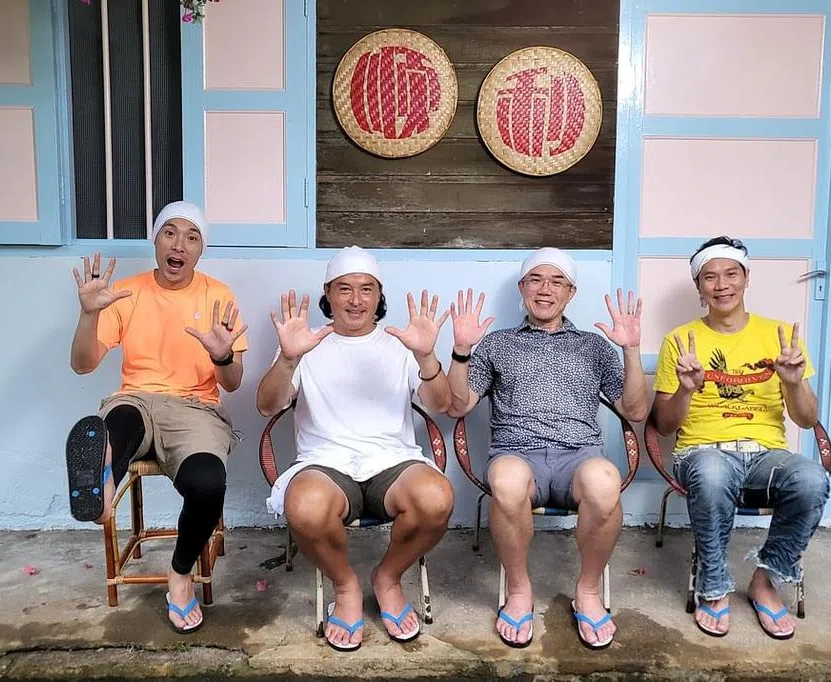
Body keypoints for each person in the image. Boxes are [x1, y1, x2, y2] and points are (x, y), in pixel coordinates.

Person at [446, 247, 650, 650]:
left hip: (579, 455)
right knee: (507, 482)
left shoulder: (594, 346)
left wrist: (630, 350)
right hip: (516, 453)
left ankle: (587, 591)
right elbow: (458, 405)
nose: (545, 289)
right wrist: (461, 351)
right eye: (536, 280)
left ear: (570, 293)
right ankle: (519, 590)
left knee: (605, 481)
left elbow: (636, 411)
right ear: (522, 288)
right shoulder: (497, 343)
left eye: (557, 282)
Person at [256, 246, 455, 652]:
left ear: (379, 296)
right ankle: (345, 587)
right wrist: (288, 360)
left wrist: (426, 356)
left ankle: (388, 578)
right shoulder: (305, 343)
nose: (356, 299)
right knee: (305, 506)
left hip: (392, 462)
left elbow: (440, 404)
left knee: (436, 499)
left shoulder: (401, 344)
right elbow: (266, 406)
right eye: (344, 289)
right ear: (328, 294)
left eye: (366, 289)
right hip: (325, 464)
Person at [63, 201, 248, 634]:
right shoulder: (126, 293)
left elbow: (234, 382)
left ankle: (180, 574)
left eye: (191, 237)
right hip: (137, 400)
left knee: (208, 484)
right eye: (170, 233)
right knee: (120, 421)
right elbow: (82, 364)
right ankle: (103, 484)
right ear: (156, 240)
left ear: (200, 250)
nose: (178, 245)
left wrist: (222, 356)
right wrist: (89, 314)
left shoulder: (218, 295)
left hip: (196, 409)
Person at [651, 236, 830, 640]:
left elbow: (807, 420)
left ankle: (765, 581)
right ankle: (714, 586)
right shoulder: (679, 341)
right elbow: (662, 426)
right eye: (710, 277)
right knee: (713, 474)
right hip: (702, 452)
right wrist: (685, 390)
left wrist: (794, 381)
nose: (722, 285)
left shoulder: (780, 335)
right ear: (698, 286)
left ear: (747, 278)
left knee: (811, 480)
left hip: (766, 455)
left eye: (731, 274)